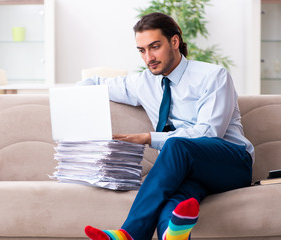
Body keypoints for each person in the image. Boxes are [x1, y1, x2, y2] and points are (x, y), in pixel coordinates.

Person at [78, 12, 254, 240]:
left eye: (154, 47)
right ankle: (171, 235)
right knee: (175, 208)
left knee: (176, 146)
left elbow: (209, 134)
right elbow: (94, 84)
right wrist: (75, 100)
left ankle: (130, 234)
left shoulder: (214, 76)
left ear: (174, 41)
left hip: (230, 164)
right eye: (142, 50)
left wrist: (149, 138)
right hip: (185, 171)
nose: (148, 57)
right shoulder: (143, 82)